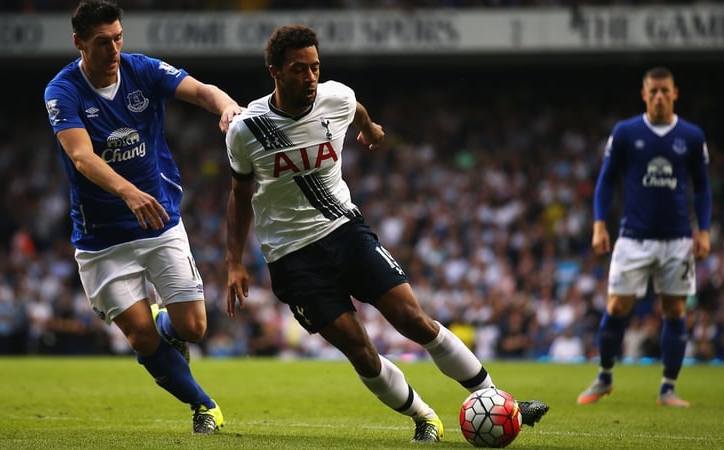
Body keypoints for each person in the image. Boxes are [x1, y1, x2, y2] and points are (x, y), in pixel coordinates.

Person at [224, 24, 549, 443]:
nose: (310, 78)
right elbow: (238, 194)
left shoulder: (335, 97)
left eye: (315, 68)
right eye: (299, 70)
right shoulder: (247, 130)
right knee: (360, 349)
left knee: (414, 319)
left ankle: (496, 398)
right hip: (291, 256)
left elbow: (355, 108)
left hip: (345, 230)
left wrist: (371, 127)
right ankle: (424, 417)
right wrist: (233, 261)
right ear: (275, 71)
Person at [43, 0, 241, 433]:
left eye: (118, 38)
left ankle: (163, 320)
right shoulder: (62, 91)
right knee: (138, 336)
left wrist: (226, 106)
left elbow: (202, 90)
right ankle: (204, 406)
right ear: (78, 43)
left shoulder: (142, 69)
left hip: (159, 222)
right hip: (101, 238)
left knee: (193, 328)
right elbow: (80, 156)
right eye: (101, 42)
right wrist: (129, 192)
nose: (113, 50)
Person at [577, 66, 712, 407]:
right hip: (633, 236)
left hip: (678, 238)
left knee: (675, 310)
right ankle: (605, 376)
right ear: (644, 95)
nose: (659, 97)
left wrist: (704, 230)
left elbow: (703, 188)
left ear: (675, 93)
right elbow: (607, 180)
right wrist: (598, 224)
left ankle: (668, 388)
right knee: (617, 306)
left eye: (665, 91)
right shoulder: (626, 132)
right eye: (653, 91)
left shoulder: (692, 136)